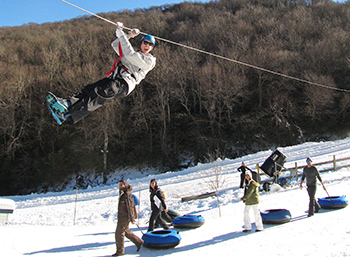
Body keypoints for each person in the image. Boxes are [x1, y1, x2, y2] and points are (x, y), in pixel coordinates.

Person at [51, 22, 156, 124]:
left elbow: (130, 56)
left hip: (125, 83)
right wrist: (129, 35)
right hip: (114, 78)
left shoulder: (150, 60)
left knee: (99, 93)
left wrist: (122, 34)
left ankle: (67, 115)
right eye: (145, 42)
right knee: (90, 89)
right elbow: (115, 45)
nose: (147, 45)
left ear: (152, 47)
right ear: (141, 43)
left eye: (150, 44)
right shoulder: (133, 53)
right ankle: (67, 104)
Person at [113, 179, 143, 256]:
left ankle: (120, 251)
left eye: (121, 185)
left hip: (125, 218)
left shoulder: (127, 194)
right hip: (122, 217)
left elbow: (130, 207)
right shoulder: (123, 194)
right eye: (119, 185)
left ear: (125, 185)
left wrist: (132, 218)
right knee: (125, 231)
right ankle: (139, 242)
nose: (119, 186)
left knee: (119, 233)